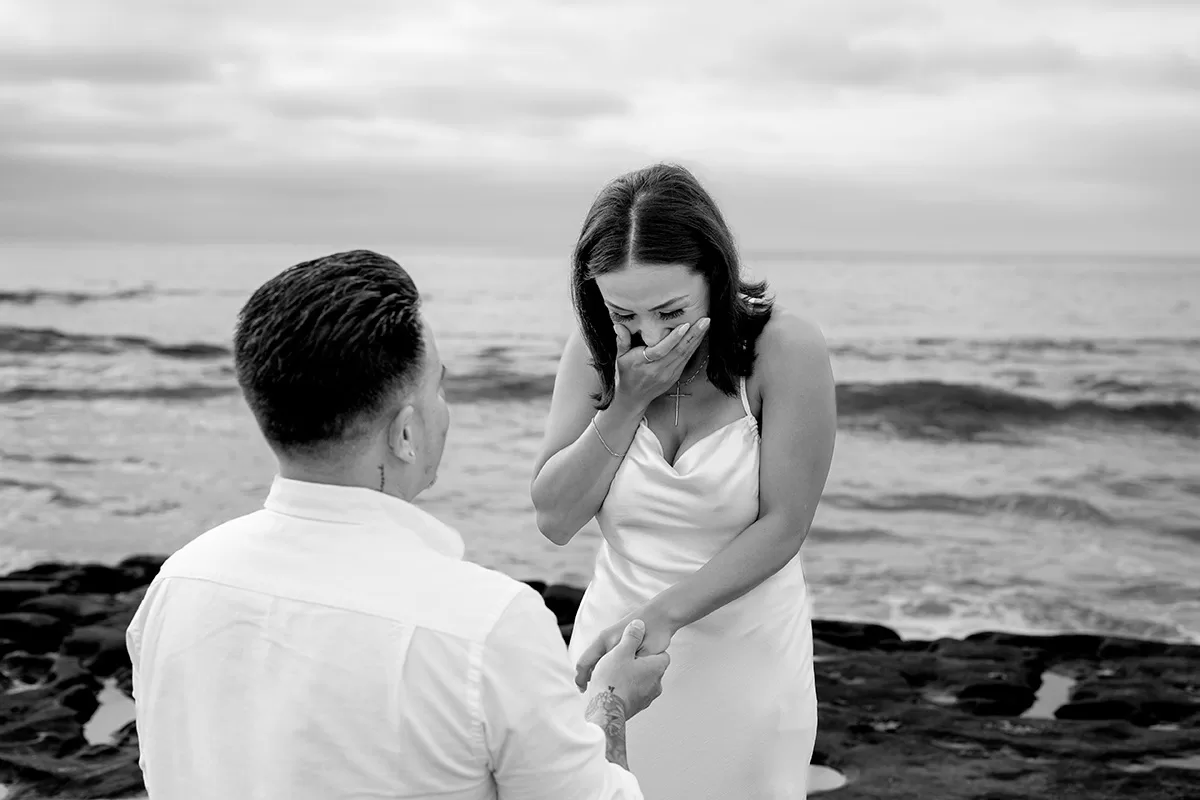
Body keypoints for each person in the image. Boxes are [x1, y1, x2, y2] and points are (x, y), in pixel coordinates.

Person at [125, 250, 668, 800]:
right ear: (405, 433)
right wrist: (611, 704)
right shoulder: (486, 626)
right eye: (438, 388)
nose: (444, 409)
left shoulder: (177, 586)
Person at [531, 164, 837, 799]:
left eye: (671, 310)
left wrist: (660, 617)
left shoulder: (788, 351)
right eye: (625, 312)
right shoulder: (593, 356)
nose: (649, 334)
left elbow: (784, 525)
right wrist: (626, 401)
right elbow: (555, 519)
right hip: (613, 659)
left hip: (743, 659)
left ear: (717, 279)